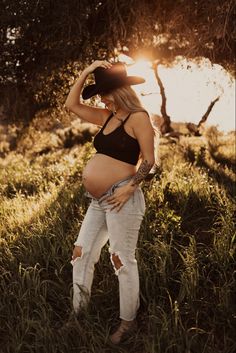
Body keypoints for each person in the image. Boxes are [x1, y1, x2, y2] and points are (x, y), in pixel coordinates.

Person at [65, 60, 156, 344]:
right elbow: (72, 105)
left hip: (122, 199)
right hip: (98, 201)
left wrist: (130, 188)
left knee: (121, 260)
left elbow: (150, 161)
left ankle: (127, 324)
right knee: (81, 253)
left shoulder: (138, 117)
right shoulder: (107, 116)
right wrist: (85, 71)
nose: (101, 98)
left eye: (104, 92)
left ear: (119, 91)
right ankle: (77, 316)